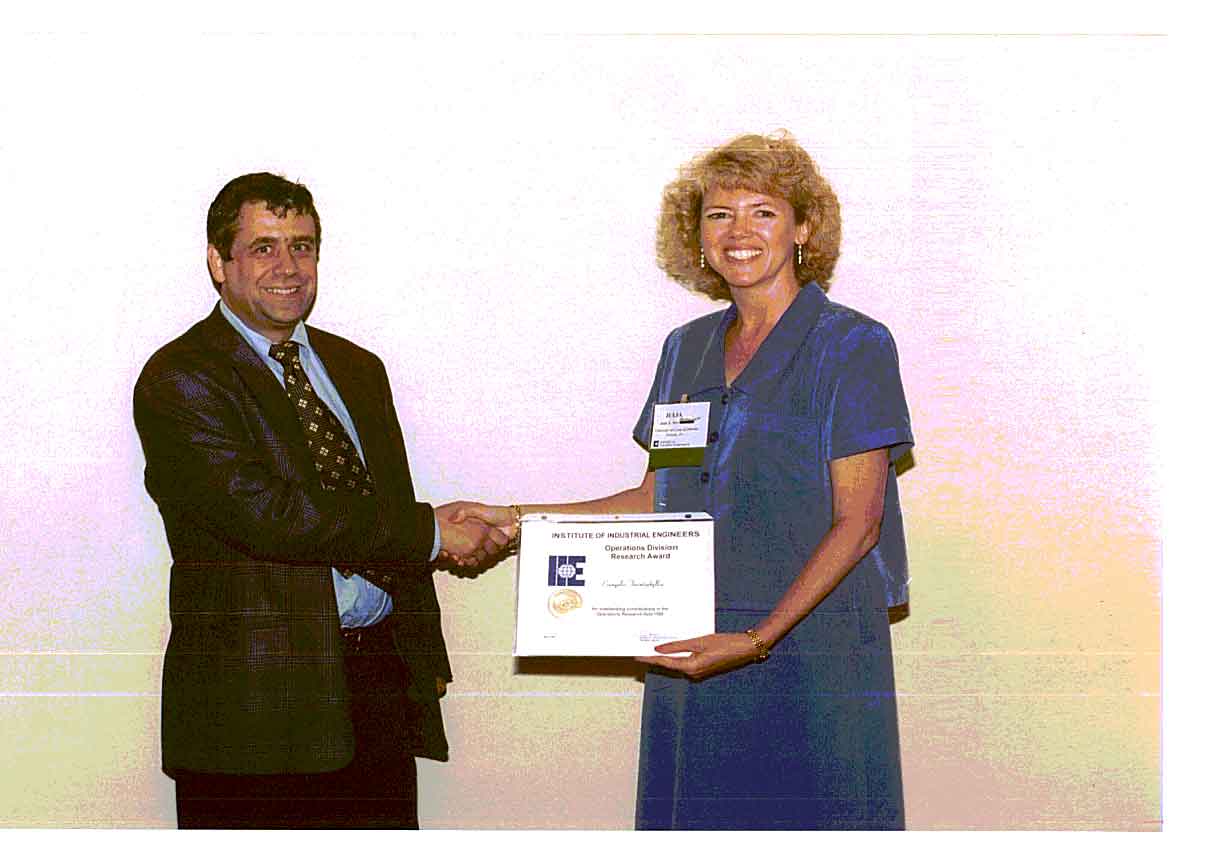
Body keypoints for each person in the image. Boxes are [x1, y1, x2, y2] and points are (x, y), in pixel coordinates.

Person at [455, 132, 912, 829]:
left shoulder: (854, 345)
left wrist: (757, 638)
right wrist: (514, 516)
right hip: (694, 639)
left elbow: (861, 522)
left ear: (803, 229)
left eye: (763, 211)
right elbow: (657, 498)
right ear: (695, 236)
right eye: (719, 214)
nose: (739, 232)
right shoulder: (686, 348)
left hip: (810, 651)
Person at [133, 172, 508, 829]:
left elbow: (384, 500)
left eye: (303, 247)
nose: (288, 267)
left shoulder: (358, 368)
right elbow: (268, 513)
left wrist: (422, 656)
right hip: (254, 709)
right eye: (263, 247)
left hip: (377, 688)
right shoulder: (181, 378)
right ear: (218, 263)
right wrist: (433, 534)